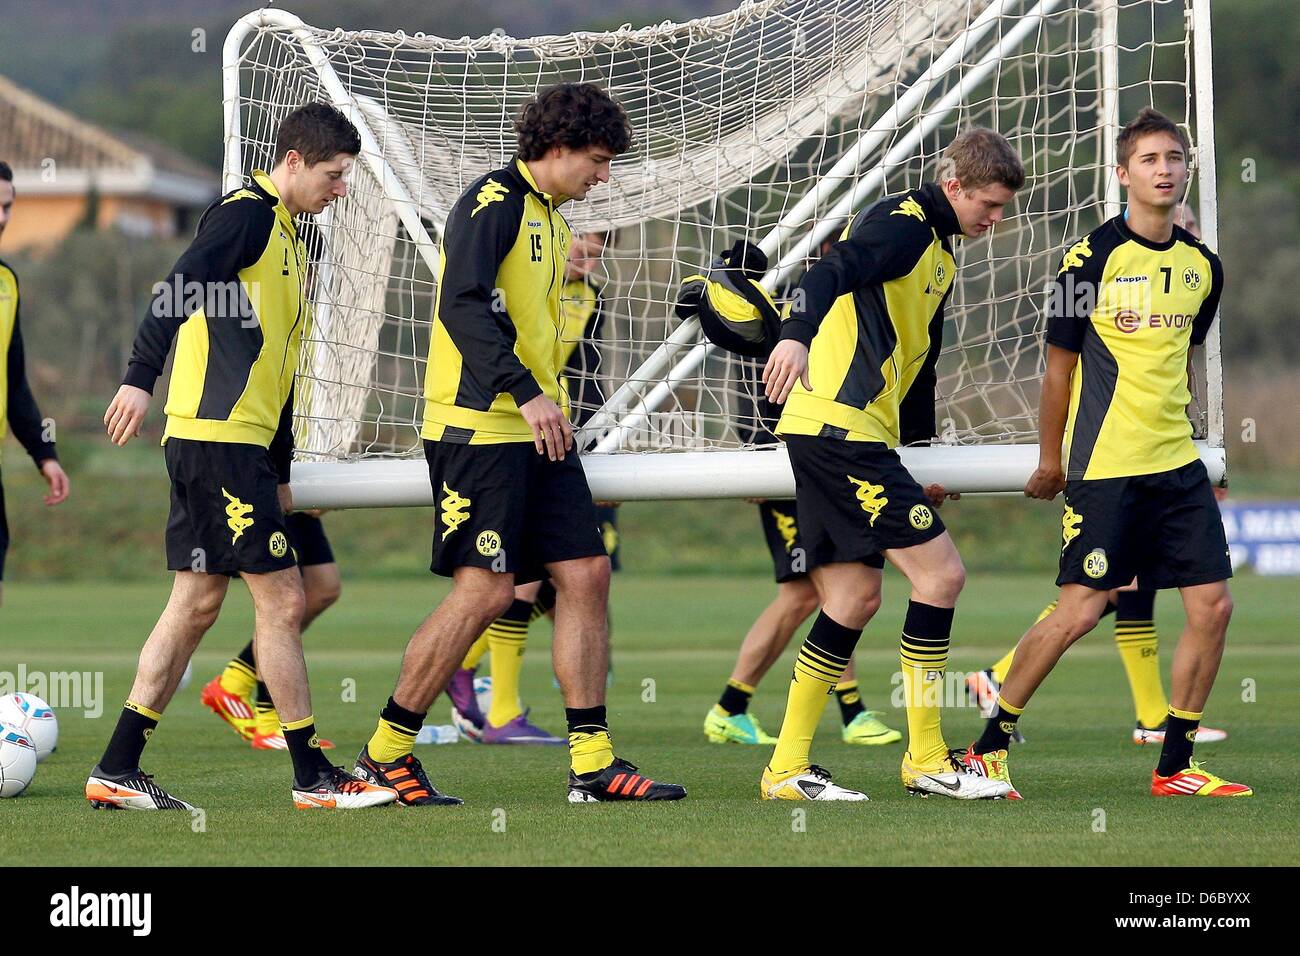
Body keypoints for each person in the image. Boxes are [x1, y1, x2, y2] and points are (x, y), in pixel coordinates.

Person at [352, 83, 685, 804]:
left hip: (542, 435)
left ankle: (593, 765)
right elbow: (461, 304)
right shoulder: (491, 204)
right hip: (481, 432)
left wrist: (551, 403)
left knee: (587, 574)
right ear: (556, 148)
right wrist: (524, 391)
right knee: (487, 591)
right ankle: (383, 754)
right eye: (597, 161)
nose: (604, 177)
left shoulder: (551, 219)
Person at [87, 103, 395, 811]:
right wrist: (140, 376)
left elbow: (280, 370)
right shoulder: (247, 215)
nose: (339, 189)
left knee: (196, 603)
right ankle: (313, 778)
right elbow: (180, 285)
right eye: (333, 174)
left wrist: (281, 474)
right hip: (217, 443)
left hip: (235, 449)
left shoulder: (291, 234)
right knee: (285, 599)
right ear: (292, 161)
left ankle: (115, 767)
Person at [962, 108, 1247, 799]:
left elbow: (1182, 362)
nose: (1164, 169)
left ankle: (1174, 766)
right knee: (1081, 611)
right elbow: (1058, 369)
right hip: (1106, 469)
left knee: (1212, 606)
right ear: (1123, 175)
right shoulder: (1089, 260)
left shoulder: (1202, 268)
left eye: (1174, 158)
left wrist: (1206, 454)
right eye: (1149, 159)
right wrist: (1050, 458)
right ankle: (986, 751)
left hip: (1175, 466)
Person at [758, 127, 1025, 800]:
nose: (993, 222)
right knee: (942, 577)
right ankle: (928, 757)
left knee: (853, 597)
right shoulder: (903, 224)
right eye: (986, 206)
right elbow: (832, 270)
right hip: (837, 429)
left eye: (1001, 210)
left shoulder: (941, 252)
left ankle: (786, 768)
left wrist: (927, 458)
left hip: (852, 434)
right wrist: (794, 337)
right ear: (953, 184)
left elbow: (923, 369)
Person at [704, 233, 901, 748]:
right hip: (789, 456)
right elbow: (754, 376)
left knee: (835, 585)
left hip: (824, 455)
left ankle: (844, 712)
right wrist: (756, 450)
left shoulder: (859, 301)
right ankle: (733, 707)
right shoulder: (795, 298)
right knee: (808, 590)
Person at [446, 230, 618, 746]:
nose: (590, 254)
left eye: (601, 245)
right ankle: (491, 701)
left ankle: (480, 686)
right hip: (502, 435)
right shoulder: (513, 281)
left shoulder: (591, 298)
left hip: (559, 440)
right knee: (515, 583)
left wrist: (599, 443)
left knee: (554, 580)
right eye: (583, 242)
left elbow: (589, 373)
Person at [201, 510, 342, 750]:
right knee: (279, 602)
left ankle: (233, 683)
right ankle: (268, 722)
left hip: (301, 487)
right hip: (275, 491)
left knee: (322, 589)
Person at [0, 160, 71, 606]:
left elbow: (13, 378)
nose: (2, 217)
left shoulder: (7, 282)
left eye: (7, 206)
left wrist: (44, 453)